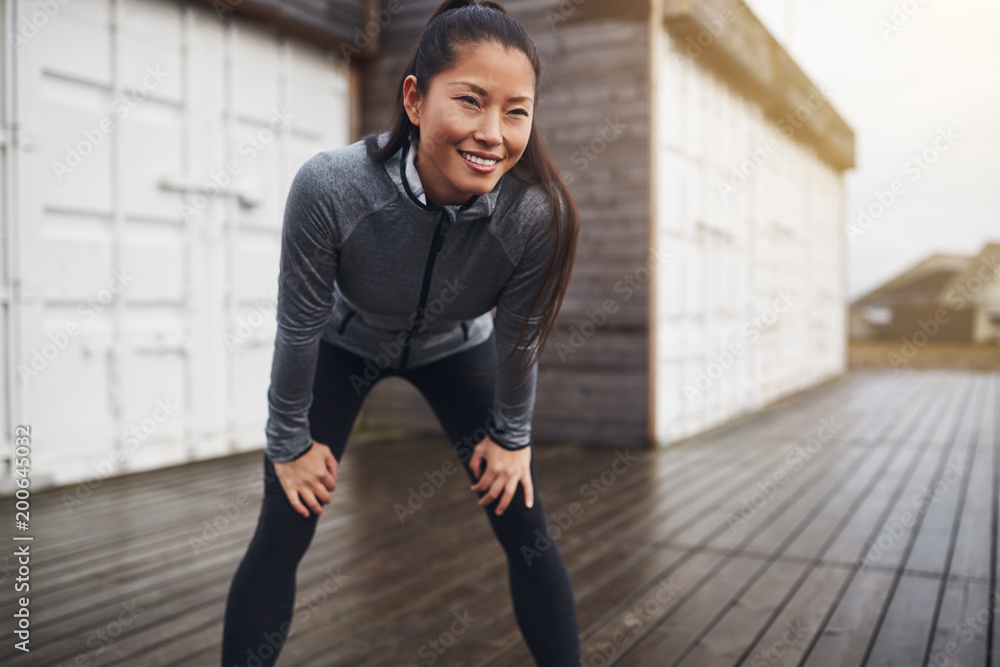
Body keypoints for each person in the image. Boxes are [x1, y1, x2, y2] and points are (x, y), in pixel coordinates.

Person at [221, 1, 582, 664]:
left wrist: (512, 438)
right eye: (470, 101)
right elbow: (298, 325)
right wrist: (288, 442)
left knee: (525, 523)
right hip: (342, 341)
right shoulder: (332, 187)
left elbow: (518, 338)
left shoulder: (537, 214)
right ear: (414, 98)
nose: (493, 133)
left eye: (516, 110)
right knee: (283, 526)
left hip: (458, 348)